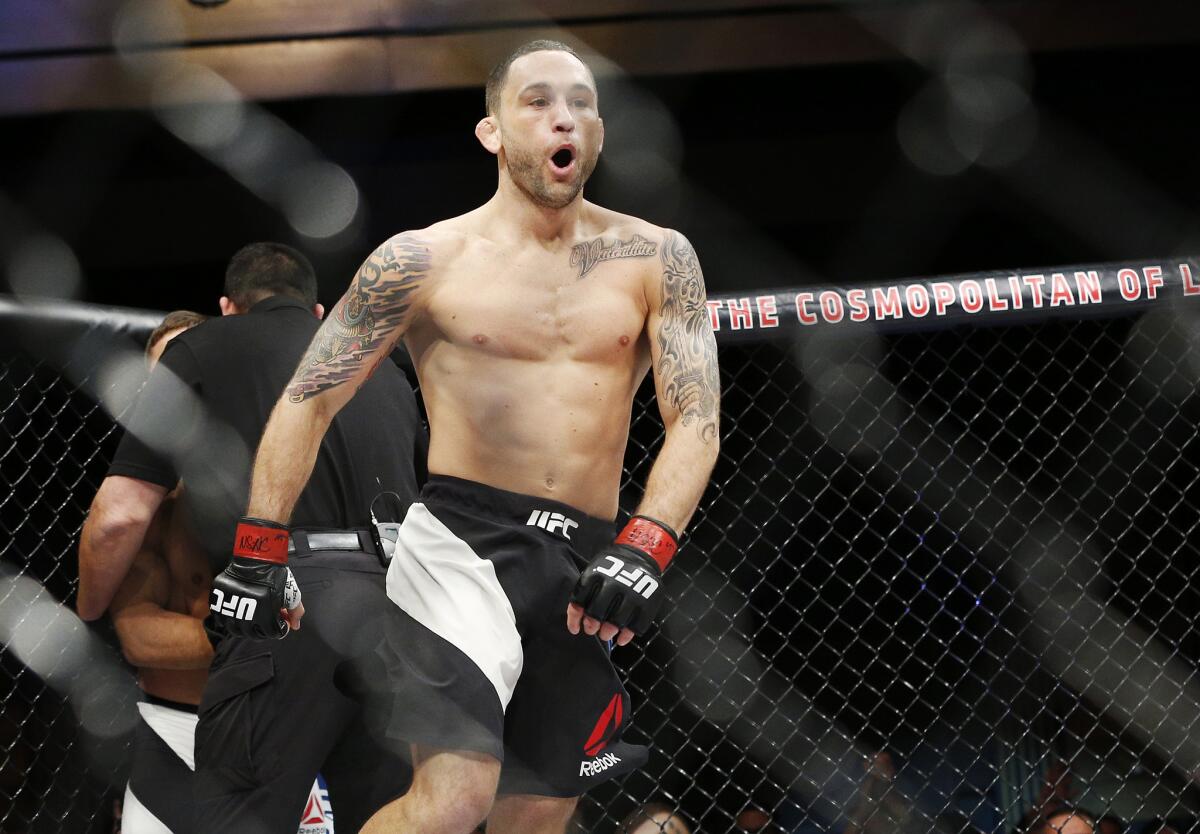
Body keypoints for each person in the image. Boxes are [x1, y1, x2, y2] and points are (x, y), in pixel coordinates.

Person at [209, 39, 721, 834]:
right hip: (461, 545)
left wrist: (649, 541)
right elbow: (308, 398)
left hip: (587, 555)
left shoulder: (657, 256)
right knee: (453, 801)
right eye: (539, 101)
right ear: (492, 132)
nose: (566, 118)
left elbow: (697, 417)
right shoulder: (422, 260)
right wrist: (259, 545)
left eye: (583, 103)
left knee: (539, 813)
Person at [79, 243, 426, 834]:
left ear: (227, 309)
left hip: (280, 595)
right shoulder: (382, 369)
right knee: (384, 817)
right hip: (400, 606)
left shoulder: (204, 348)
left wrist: (86, 603)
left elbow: (116, 518)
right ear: (319, 314)